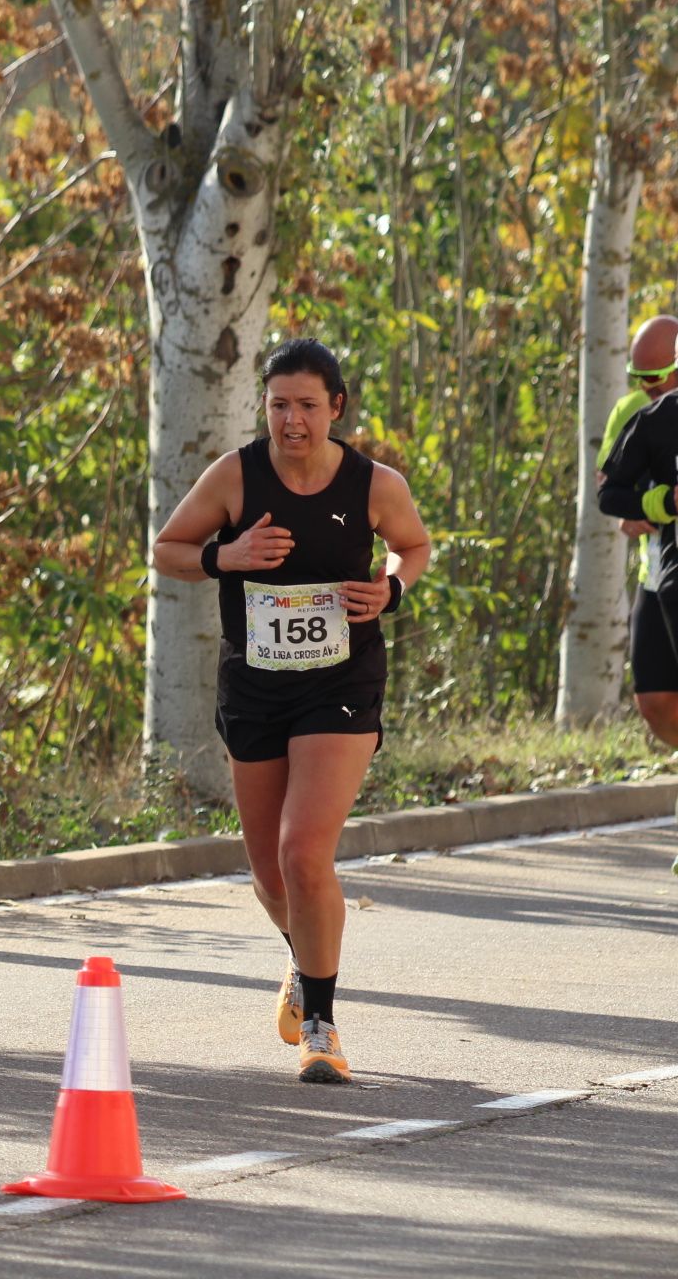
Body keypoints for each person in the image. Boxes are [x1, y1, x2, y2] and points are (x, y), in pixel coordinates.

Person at [152, 339, 430, 1083]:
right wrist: (227, 557)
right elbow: (167, 548)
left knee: (305, 852)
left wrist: (392, 590)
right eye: (279, 405)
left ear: (336, 407)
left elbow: (413, 546)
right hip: (255, 684)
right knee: (272, 874)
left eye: (307, 405)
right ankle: (302, 960)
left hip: (340, 683)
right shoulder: (236, 476)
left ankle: (322, 1026)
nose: (293, 420)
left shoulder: (373, 483)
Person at [599, 313, 678, 889]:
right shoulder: (642, 418)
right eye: (640, 377)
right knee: (657, 703)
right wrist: (660, 502)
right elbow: (614, 499)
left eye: (661, 376)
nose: (655, 386)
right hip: (668, 579)